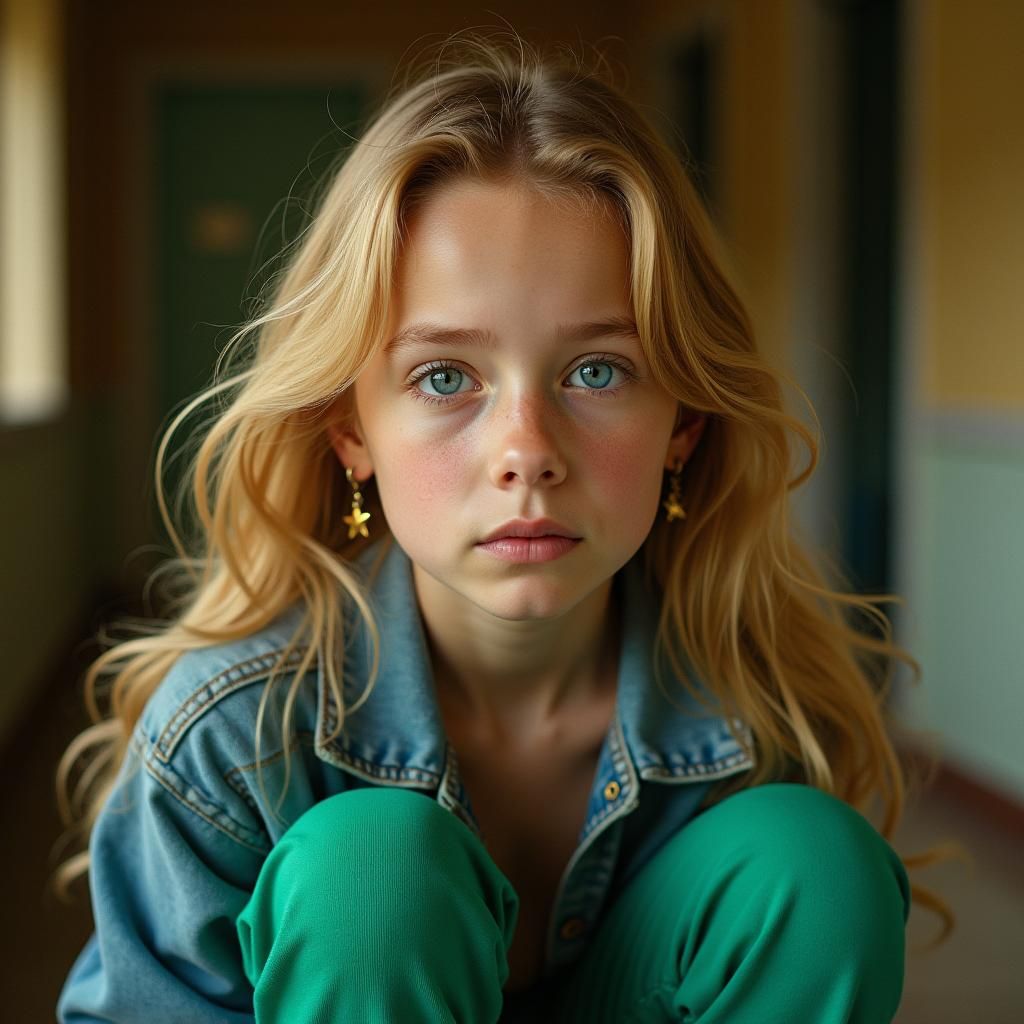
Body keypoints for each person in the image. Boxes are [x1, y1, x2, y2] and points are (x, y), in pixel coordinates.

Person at [53, 30, 957, 1024]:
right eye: (445, 377)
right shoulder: (232, 736)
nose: (526, 449)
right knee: (368, 876)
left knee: (810, 864)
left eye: (597, 370)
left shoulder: (758, 706)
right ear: (351, 431)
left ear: (682, 427)